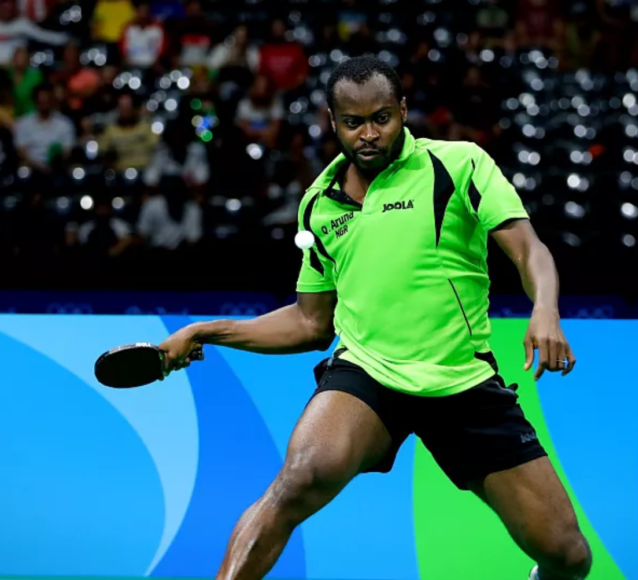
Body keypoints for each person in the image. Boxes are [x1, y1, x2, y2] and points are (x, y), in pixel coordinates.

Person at [158, 55, 592, 580]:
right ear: (332, 121)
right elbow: (310, 323)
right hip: (368, 374)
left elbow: (528, 250)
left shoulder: (457, 165)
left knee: (568, 556)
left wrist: (544, 308)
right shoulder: (319, 204)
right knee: (297, 480)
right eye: (353, 122)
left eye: (381, 118)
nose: (369, 134)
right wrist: (205, 331)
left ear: (402, 111)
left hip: (461, 380)